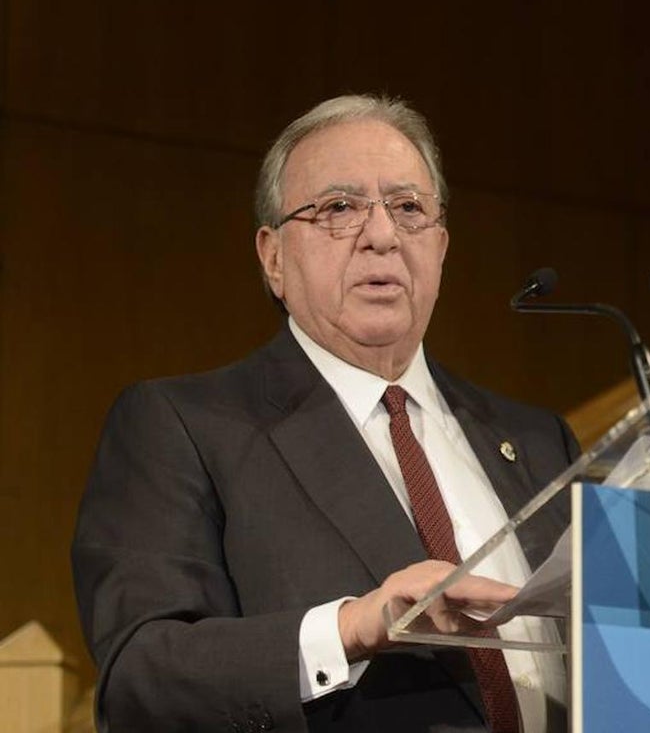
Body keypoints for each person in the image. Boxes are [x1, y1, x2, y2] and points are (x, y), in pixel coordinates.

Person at [72, 94, 577, 732]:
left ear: (441, 247)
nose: (382, 236)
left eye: (408, 208)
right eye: (339, 208)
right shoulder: (183, 426)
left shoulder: (540, 439)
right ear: (274, 257)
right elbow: (140, 678)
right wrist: (350, 628)